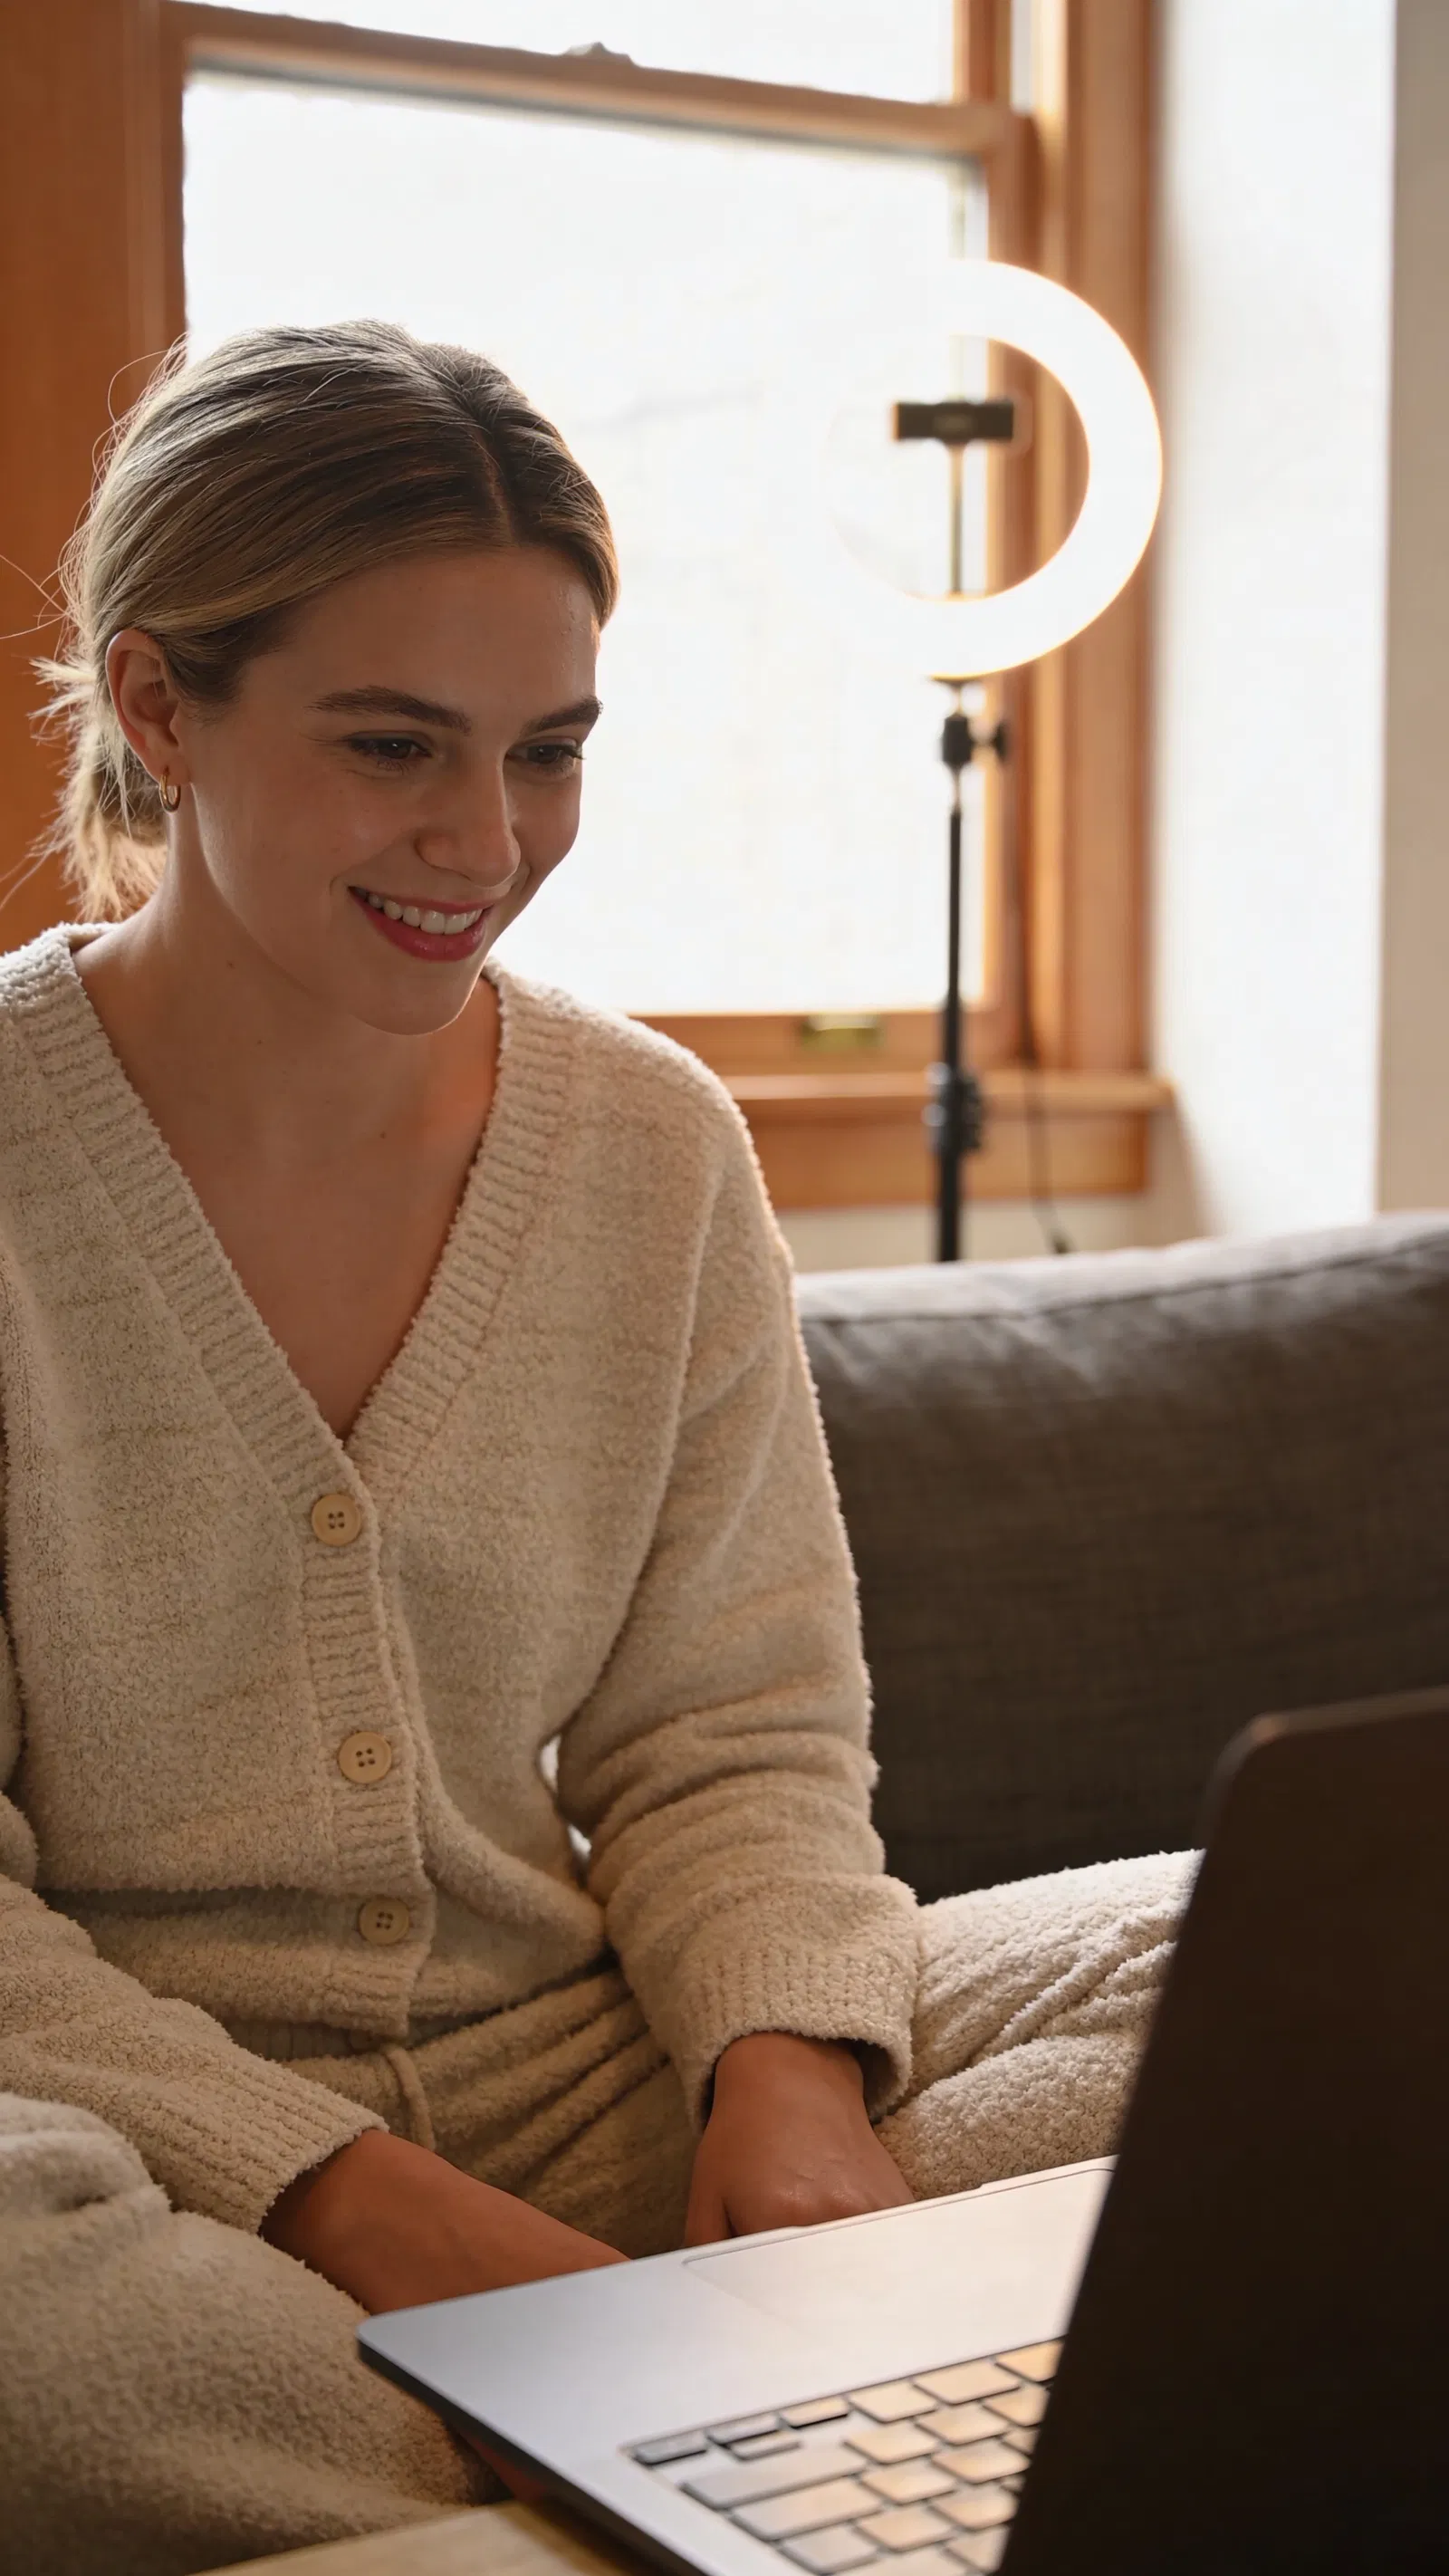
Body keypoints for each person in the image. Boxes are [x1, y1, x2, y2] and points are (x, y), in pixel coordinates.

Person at [0, 322, 1188, 2576]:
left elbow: (729, 1730)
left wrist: (786, 2079)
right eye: (391, 748)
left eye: (547, 752)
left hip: (598, 2081)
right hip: (135, 2158)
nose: (486, 842)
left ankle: (655, 2450)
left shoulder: (648, 1144)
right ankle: (786, 2443)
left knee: (1256, 1983)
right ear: (160, 710)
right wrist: (366, 2212)